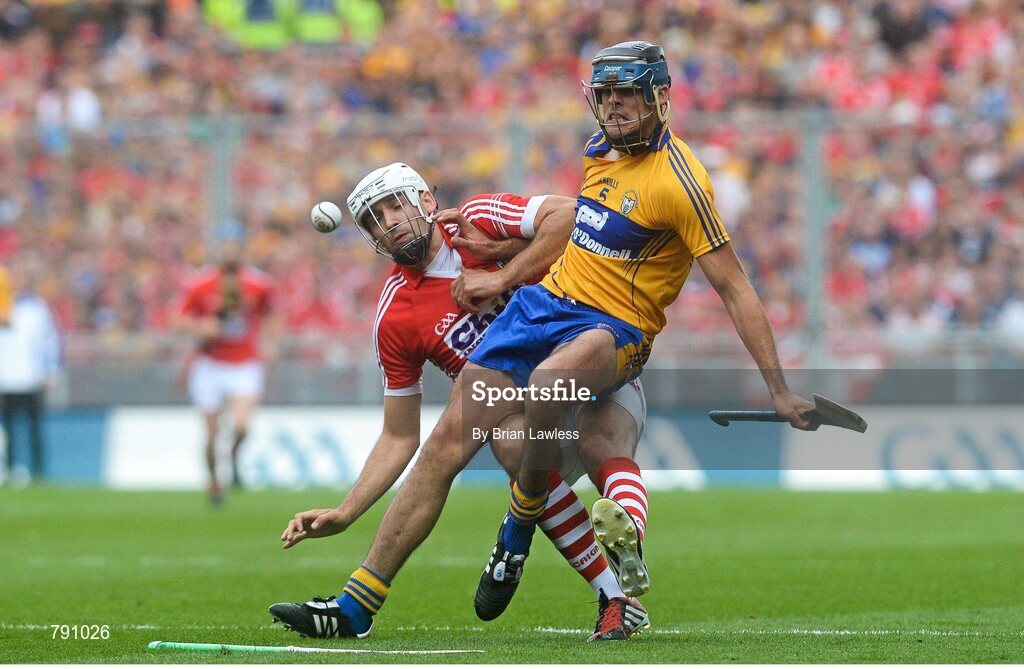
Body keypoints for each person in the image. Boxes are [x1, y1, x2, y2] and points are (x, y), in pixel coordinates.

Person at [464, 40, 818, 614]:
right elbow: (582, 237)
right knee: (524, 441)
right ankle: (619, 565)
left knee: (550, 388)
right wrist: (505, 252)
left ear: (660, 98)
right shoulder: (599, 148)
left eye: (627, 93)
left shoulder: (681, 181)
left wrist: (777, 387)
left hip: (616, 337)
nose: (614, 106)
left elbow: (734, 288)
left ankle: (518, 530)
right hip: (554, 312)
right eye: (604, 94)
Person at [269, 163, 650, 642]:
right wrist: (348, 511)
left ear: (427, 201)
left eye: (394, 206)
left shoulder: (478, 218)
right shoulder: (396, 316)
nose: (388, 222)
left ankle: (555, 534)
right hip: (524, 415)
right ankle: (613, 592)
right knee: (500, 442)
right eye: (374, 220)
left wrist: (499, 272)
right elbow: (399, 434)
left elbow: (574, 216)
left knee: (601, 443)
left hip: (591, 358)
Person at [174, 238, 279, 505]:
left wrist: (271, 342)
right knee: (210, 435)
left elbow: (274, 313)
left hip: (244, 363)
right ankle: (213, 481)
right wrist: (200, 327)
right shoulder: (200, 283)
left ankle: (233, 455)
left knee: (241, 426)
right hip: (210, 365)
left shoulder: (259, 283)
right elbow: (177, 317)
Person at [0, 261, 61, 484]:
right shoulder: (3, 308)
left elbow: (50, 341)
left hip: (30, 377)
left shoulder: (38, 308)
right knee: (7, 430)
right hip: (5, 378)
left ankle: (38, 472)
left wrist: (50, 370)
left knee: (34, 427)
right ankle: (9, 469)